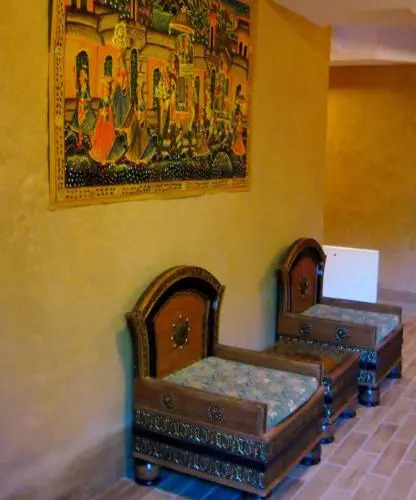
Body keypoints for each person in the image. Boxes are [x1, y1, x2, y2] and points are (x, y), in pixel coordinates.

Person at [89, 80, 116, 164]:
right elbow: (100, 109)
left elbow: (112, 109)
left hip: (109, 121)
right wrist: (102, 112)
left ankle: (109, 156)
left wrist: (109, 111)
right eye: (105, 90)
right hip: (103, 121)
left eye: (107, 90)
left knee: (110, 136)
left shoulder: (110, 100)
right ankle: (102, 156)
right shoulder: (102, 100)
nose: (106, 92)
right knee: (101, 136)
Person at [71, 67, 96, 146]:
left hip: (85, 110)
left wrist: (84, 107)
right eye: (79, 76)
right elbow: (80, 100)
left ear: (85, 78)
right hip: (80, 110)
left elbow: (88, 101)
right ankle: (80, 142)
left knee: (88, 127)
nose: (79, 78)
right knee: (79, 127)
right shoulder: (81, 88)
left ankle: (92, 143)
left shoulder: (85, 88)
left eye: (81, 76)